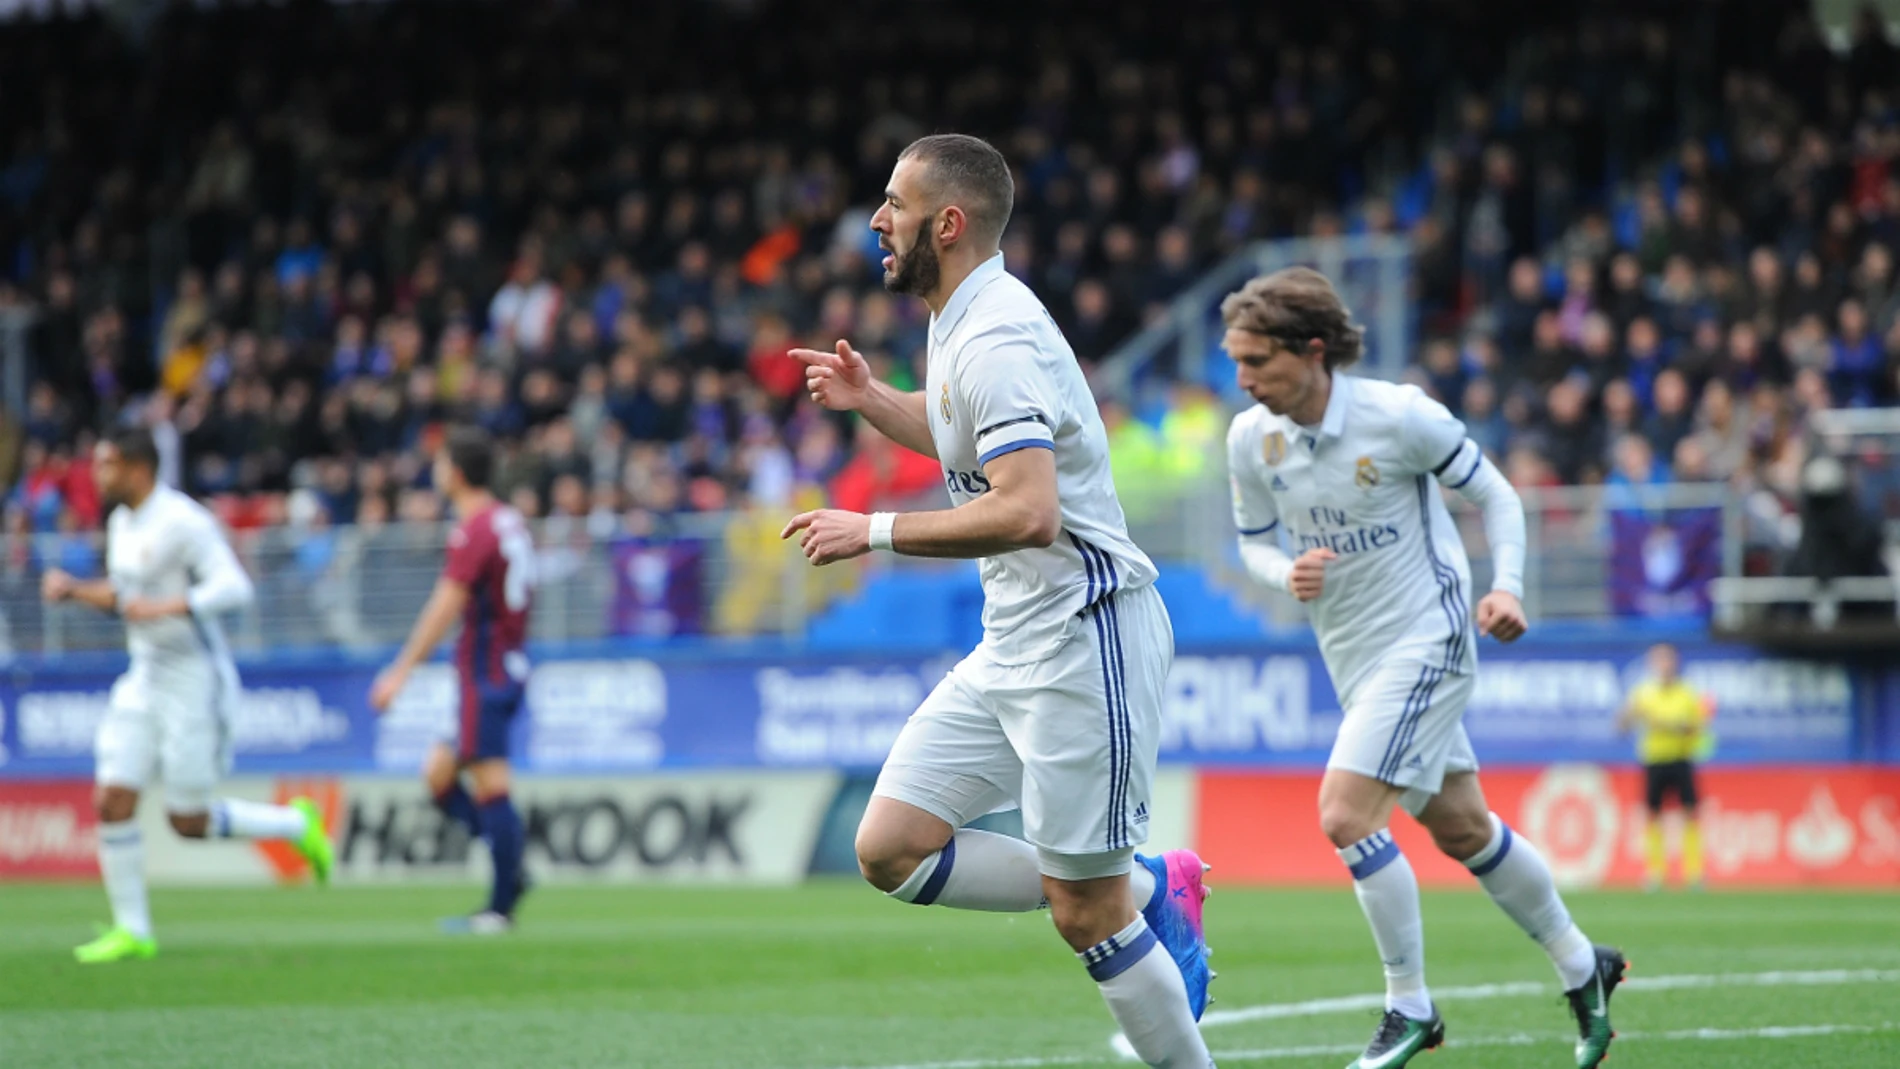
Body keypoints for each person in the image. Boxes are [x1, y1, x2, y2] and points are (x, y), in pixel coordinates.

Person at [784, 134, 1216, 1069]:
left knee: (1083, 911)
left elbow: (1026, 510)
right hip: (1012, 637)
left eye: (893, 203)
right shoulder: (957, 321)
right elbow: (963, 436)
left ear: (949, 222)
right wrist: (873, 400)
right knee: (891, 846)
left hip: (1083, 635)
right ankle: (1149, 886)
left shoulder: (997, 337)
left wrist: (877, 531)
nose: (874, 220)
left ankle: (1138, 909)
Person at [1221, 268, 1624, 1069]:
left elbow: (1500, 497)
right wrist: (1282, 575)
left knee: (1344, 812)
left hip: (1428, 634)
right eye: (1237, 361)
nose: (1243, 379)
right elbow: (1252, 542)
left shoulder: (1399, 416)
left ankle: (1410, 1005)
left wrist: (1506, 586)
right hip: (1353, 653)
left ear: (1312, 352)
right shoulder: (1250, 437)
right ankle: (1587, 967)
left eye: (1257, 361)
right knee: (1461, 824)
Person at [42, 427, 332, 964]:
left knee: (187, 821)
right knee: (112, 799)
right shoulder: (122, 521)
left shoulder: (184, 521)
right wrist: (75, 591)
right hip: (145, 673)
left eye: (106, 465)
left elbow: (235, 588)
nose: (97, 476)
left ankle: (296, 824)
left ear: (137, 467)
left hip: (194, 678)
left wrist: (169, 606)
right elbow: (128, 597)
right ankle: (134, 931)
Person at [369, 426, 535, 934]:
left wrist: (399, 672)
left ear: (456, 474)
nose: (435, 472)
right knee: (440, 773)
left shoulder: (475, 529)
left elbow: (446, 606)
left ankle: (501, 906)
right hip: (504, 662)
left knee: (489, 781)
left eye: (440, 464)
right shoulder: (508, 522)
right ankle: (511, 871)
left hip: (484, 670)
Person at [1615, 642, 1712, 890]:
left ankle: (1694, 873)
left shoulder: (1688, 692)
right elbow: (1621, 726)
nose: (1664, 665)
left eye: (1668, 660)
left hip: (1681, 759)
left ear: (1676, 662)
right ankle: (1655, 872)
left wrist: (1668, 724)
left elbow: (1696, 727)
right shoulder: (1643, 693)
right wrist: (1629, 716)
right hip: (1654, 760)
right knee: (1653, 814)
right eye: (1659, 660)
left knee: (1690, 813)